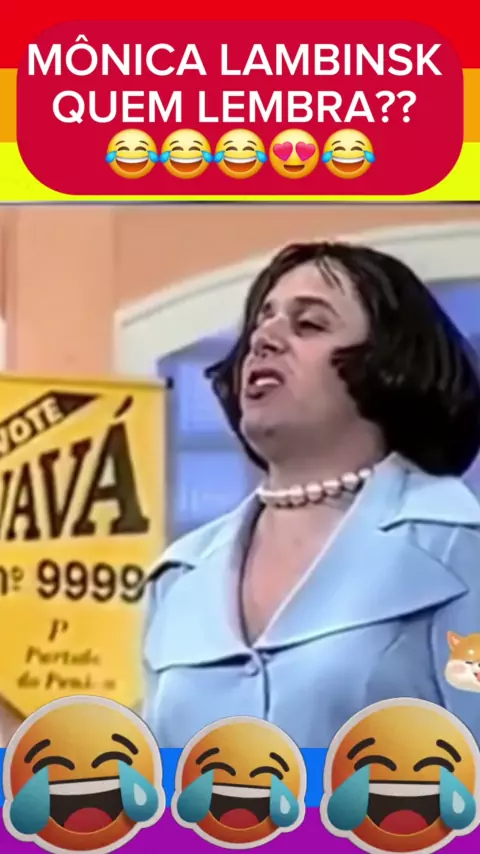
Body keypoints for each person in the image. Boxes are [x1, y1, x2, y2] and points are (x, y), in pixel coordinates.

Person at [142, 241, 480, 748]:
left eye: (309, 324)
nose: (263, 339)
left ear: (386, 365)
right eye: (261, 322)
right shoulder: (179, 576)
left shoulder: (457, 546)